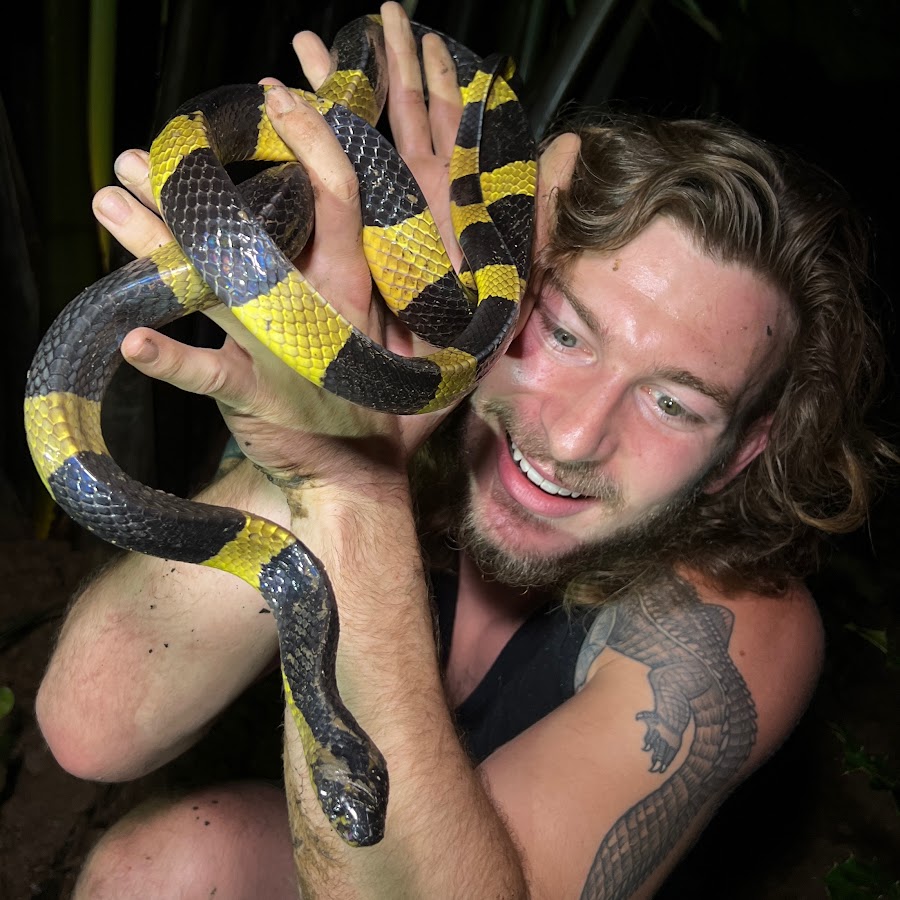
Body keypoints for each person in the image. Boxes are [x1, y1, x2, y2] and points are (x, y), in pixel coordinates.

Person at [35, 3, 893, 898]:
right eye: (563, 334)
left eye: (673, 404)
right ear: (501, 294)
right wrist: (337, 439)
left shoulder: (730, 634)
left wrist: (347, 486)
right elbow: (90, 730)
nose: (574, 437)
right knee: (165, 869)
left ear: (740, 456)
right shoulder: (370, 367)